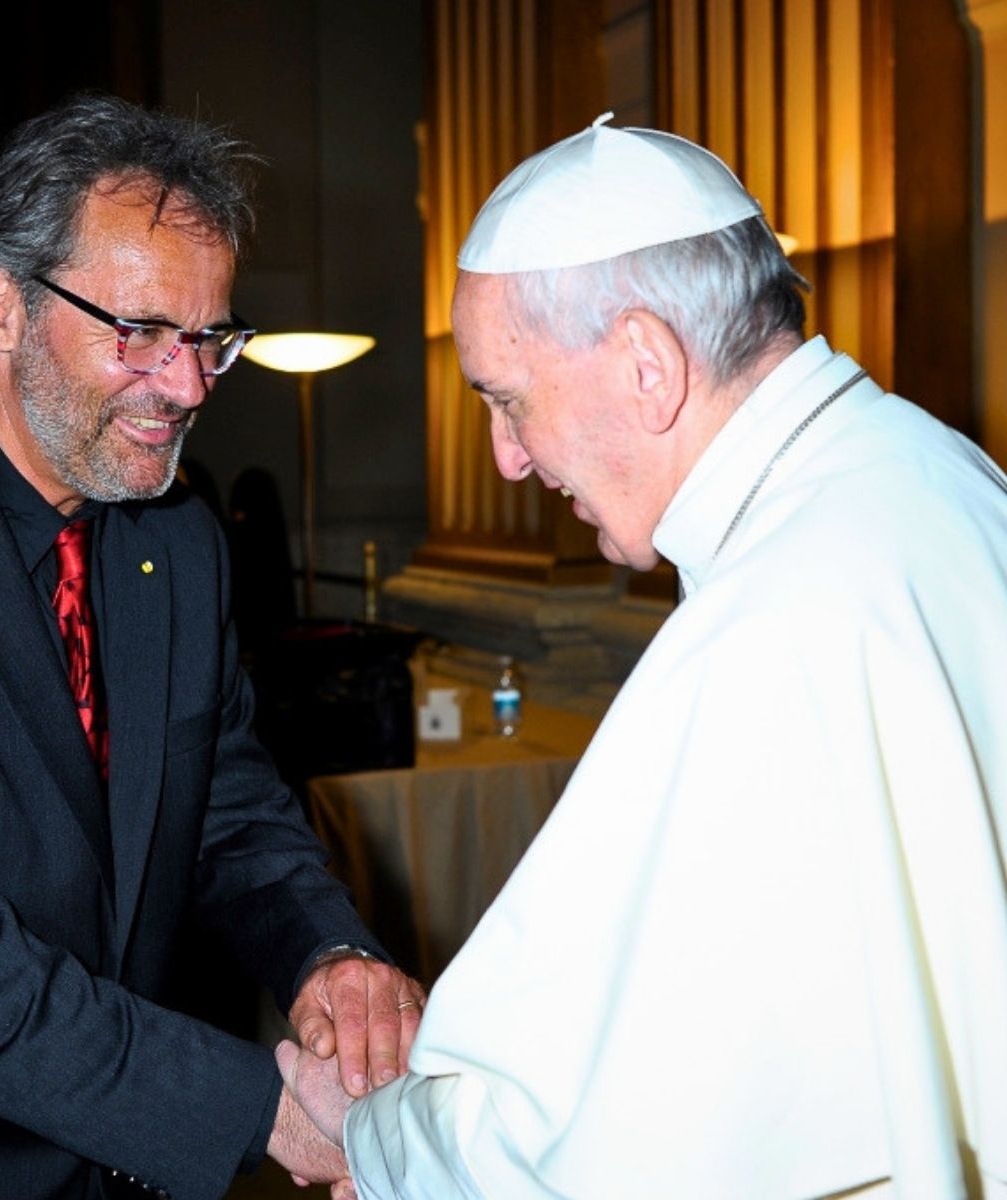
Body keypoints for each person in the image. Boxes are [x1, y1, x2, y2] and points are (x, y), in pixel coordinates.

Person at [278, 114, 1007, 1198]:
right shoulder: (931, 471)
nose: (507, 459)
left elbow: (617, 1135)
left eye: (509, 400)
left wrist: (377, 1138)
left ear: (646, 365)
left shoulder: (773, 621)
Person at [0, 94, 424, 1200]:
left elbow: (231, 811)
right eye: (138, 333)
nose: (186, 388)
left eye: (209, 339)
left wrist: (327, 956)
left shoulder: (178, 539)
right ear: (1, 307)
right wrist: (264, 1113)